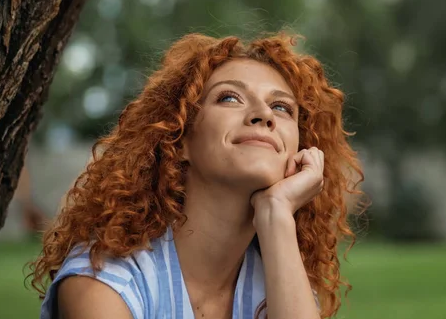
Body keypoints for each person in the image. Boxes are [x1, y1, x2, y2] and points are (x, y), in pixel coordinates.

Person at [28, 32, 364, 319]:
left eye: (282, 108)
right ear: (179, 137)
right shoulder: (103, 279)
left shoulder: (279, 276)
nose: (264, 114)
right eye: (229, 97)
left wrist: (277, 214)